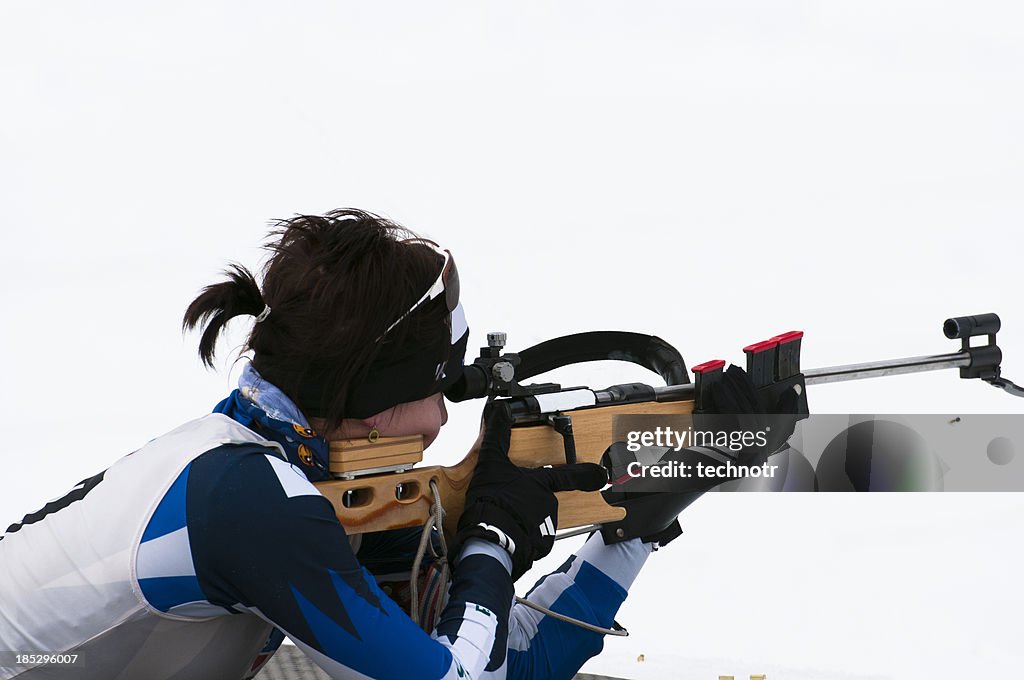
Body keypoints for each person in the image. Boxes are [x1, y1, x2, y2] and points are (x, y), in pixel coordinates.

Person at [0, 209, 803, 680]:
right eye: (435, 387)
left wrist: (633, 531)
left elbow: (507, 666)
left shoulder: (263, 461)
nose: (441, 423)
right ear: (372, 393)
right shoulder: (253, 504)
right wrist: (489, 541)